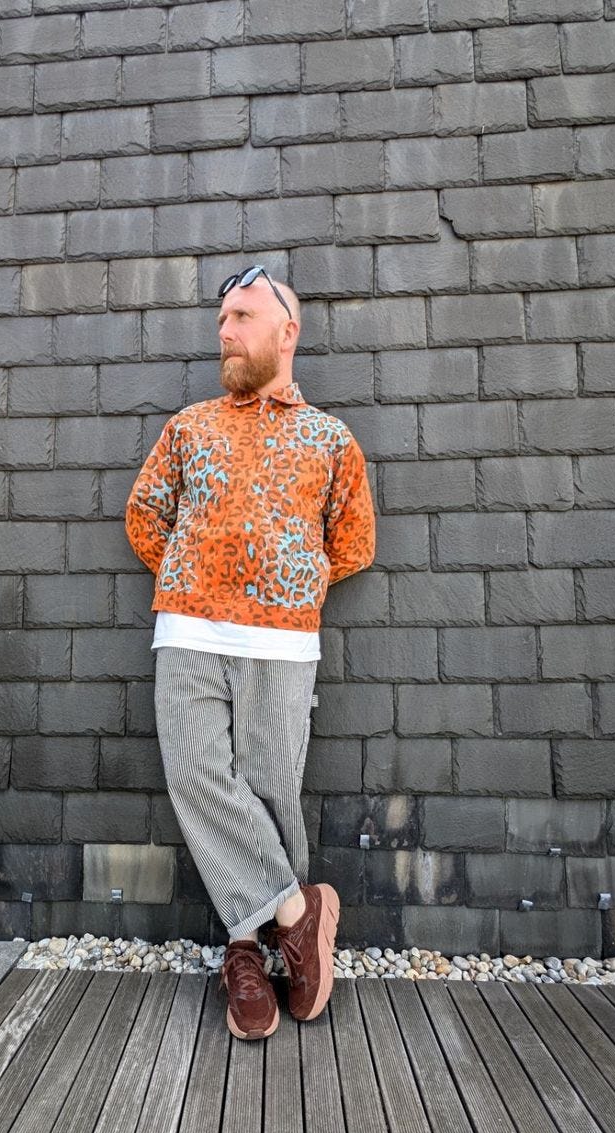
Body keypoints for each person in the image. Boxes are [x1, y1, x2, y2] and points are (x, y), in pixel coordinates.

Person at [124, 265, 376, 1039]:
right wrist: (200, 576)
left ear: (286, 330)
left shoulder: (330, 439)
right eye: (221, 318)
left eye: (241, 315)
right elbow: (144, 515)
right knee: (198, 777)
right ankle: (300, 914)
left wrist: (284, 585)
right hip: (189, 633)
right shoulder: (190, 425)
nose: (225, 331)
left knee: (270, 791)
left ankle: (245, 950)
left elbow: (354, 542)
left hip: (282, 642)